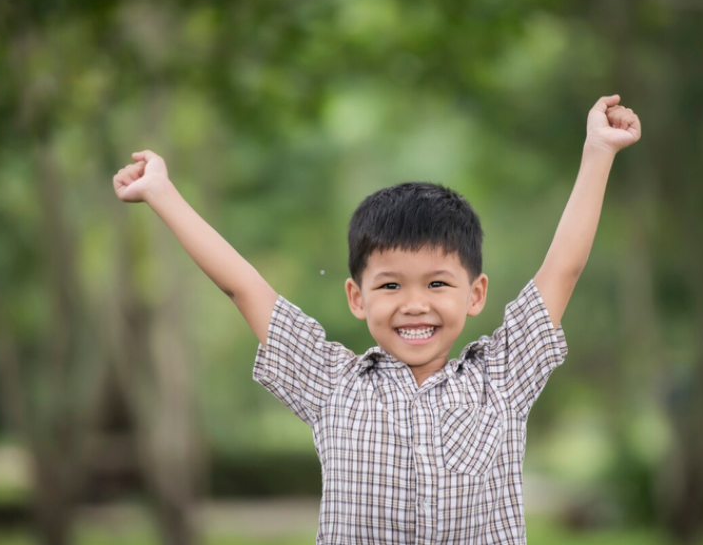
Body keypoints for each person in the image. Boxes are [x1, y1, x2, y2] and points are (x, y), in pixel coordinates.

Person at [113, 94, 642, 544]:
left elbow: (563, 269)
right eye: (390, 285)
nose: (414, 304)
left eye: (437, 284)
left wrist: (598, 152)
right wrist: (162, 192)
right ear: (357, 297)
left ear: (475, 294)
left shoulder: (502, 379)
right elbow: (243, 286)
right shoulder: (331, 386)